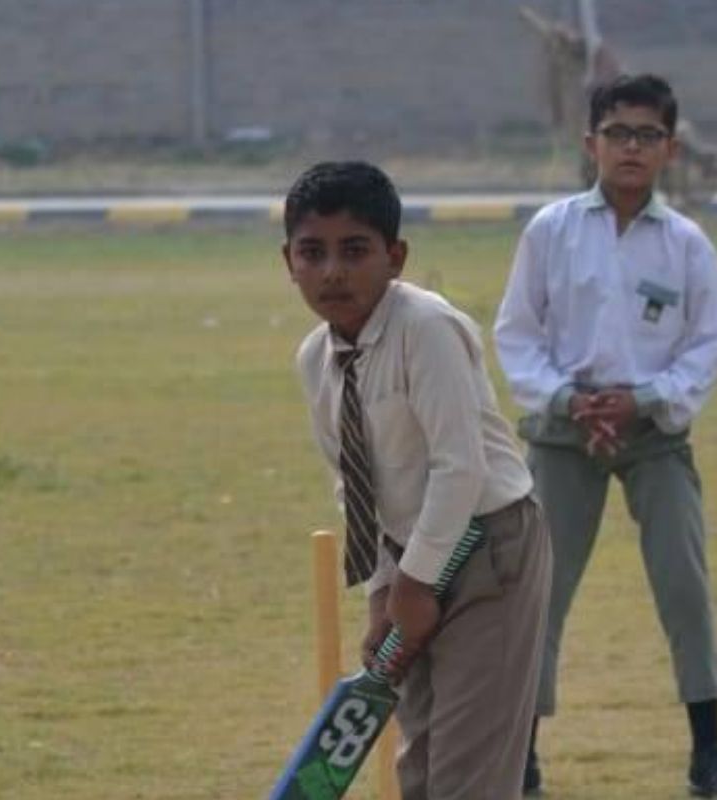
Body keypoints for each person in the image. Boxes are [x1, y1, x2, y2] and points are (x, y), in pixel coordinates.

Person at [493, 74, 717, 799]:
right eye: (618, 133)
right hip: (564, 434)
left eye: (648, 135)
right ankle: (520, 757)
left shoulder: (686, 244)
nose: (632, 148)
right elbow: (517, 333)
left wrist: (646, 399)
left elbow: (708, 342)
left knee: (684, 585)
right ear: (592, 143)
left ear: (670, 150)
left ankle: (709, 752)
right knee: (538, 595)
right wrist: (567, 399)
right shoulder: (551, 230)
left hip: (654, 435)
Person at [283, 161, 553, 800]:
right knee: (421, 767)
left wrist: (413, 583)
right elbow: (356, 485)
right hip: (410, 560)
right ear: (288, 262)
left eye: (355, 251)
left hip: (490, 547)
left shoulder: (425, 328)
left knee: (469, 771)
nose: (333, 272)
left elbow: (461, 468)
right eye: (312, 253)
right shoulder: (316, 358)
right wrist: (385, 589)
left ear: (395, 256)